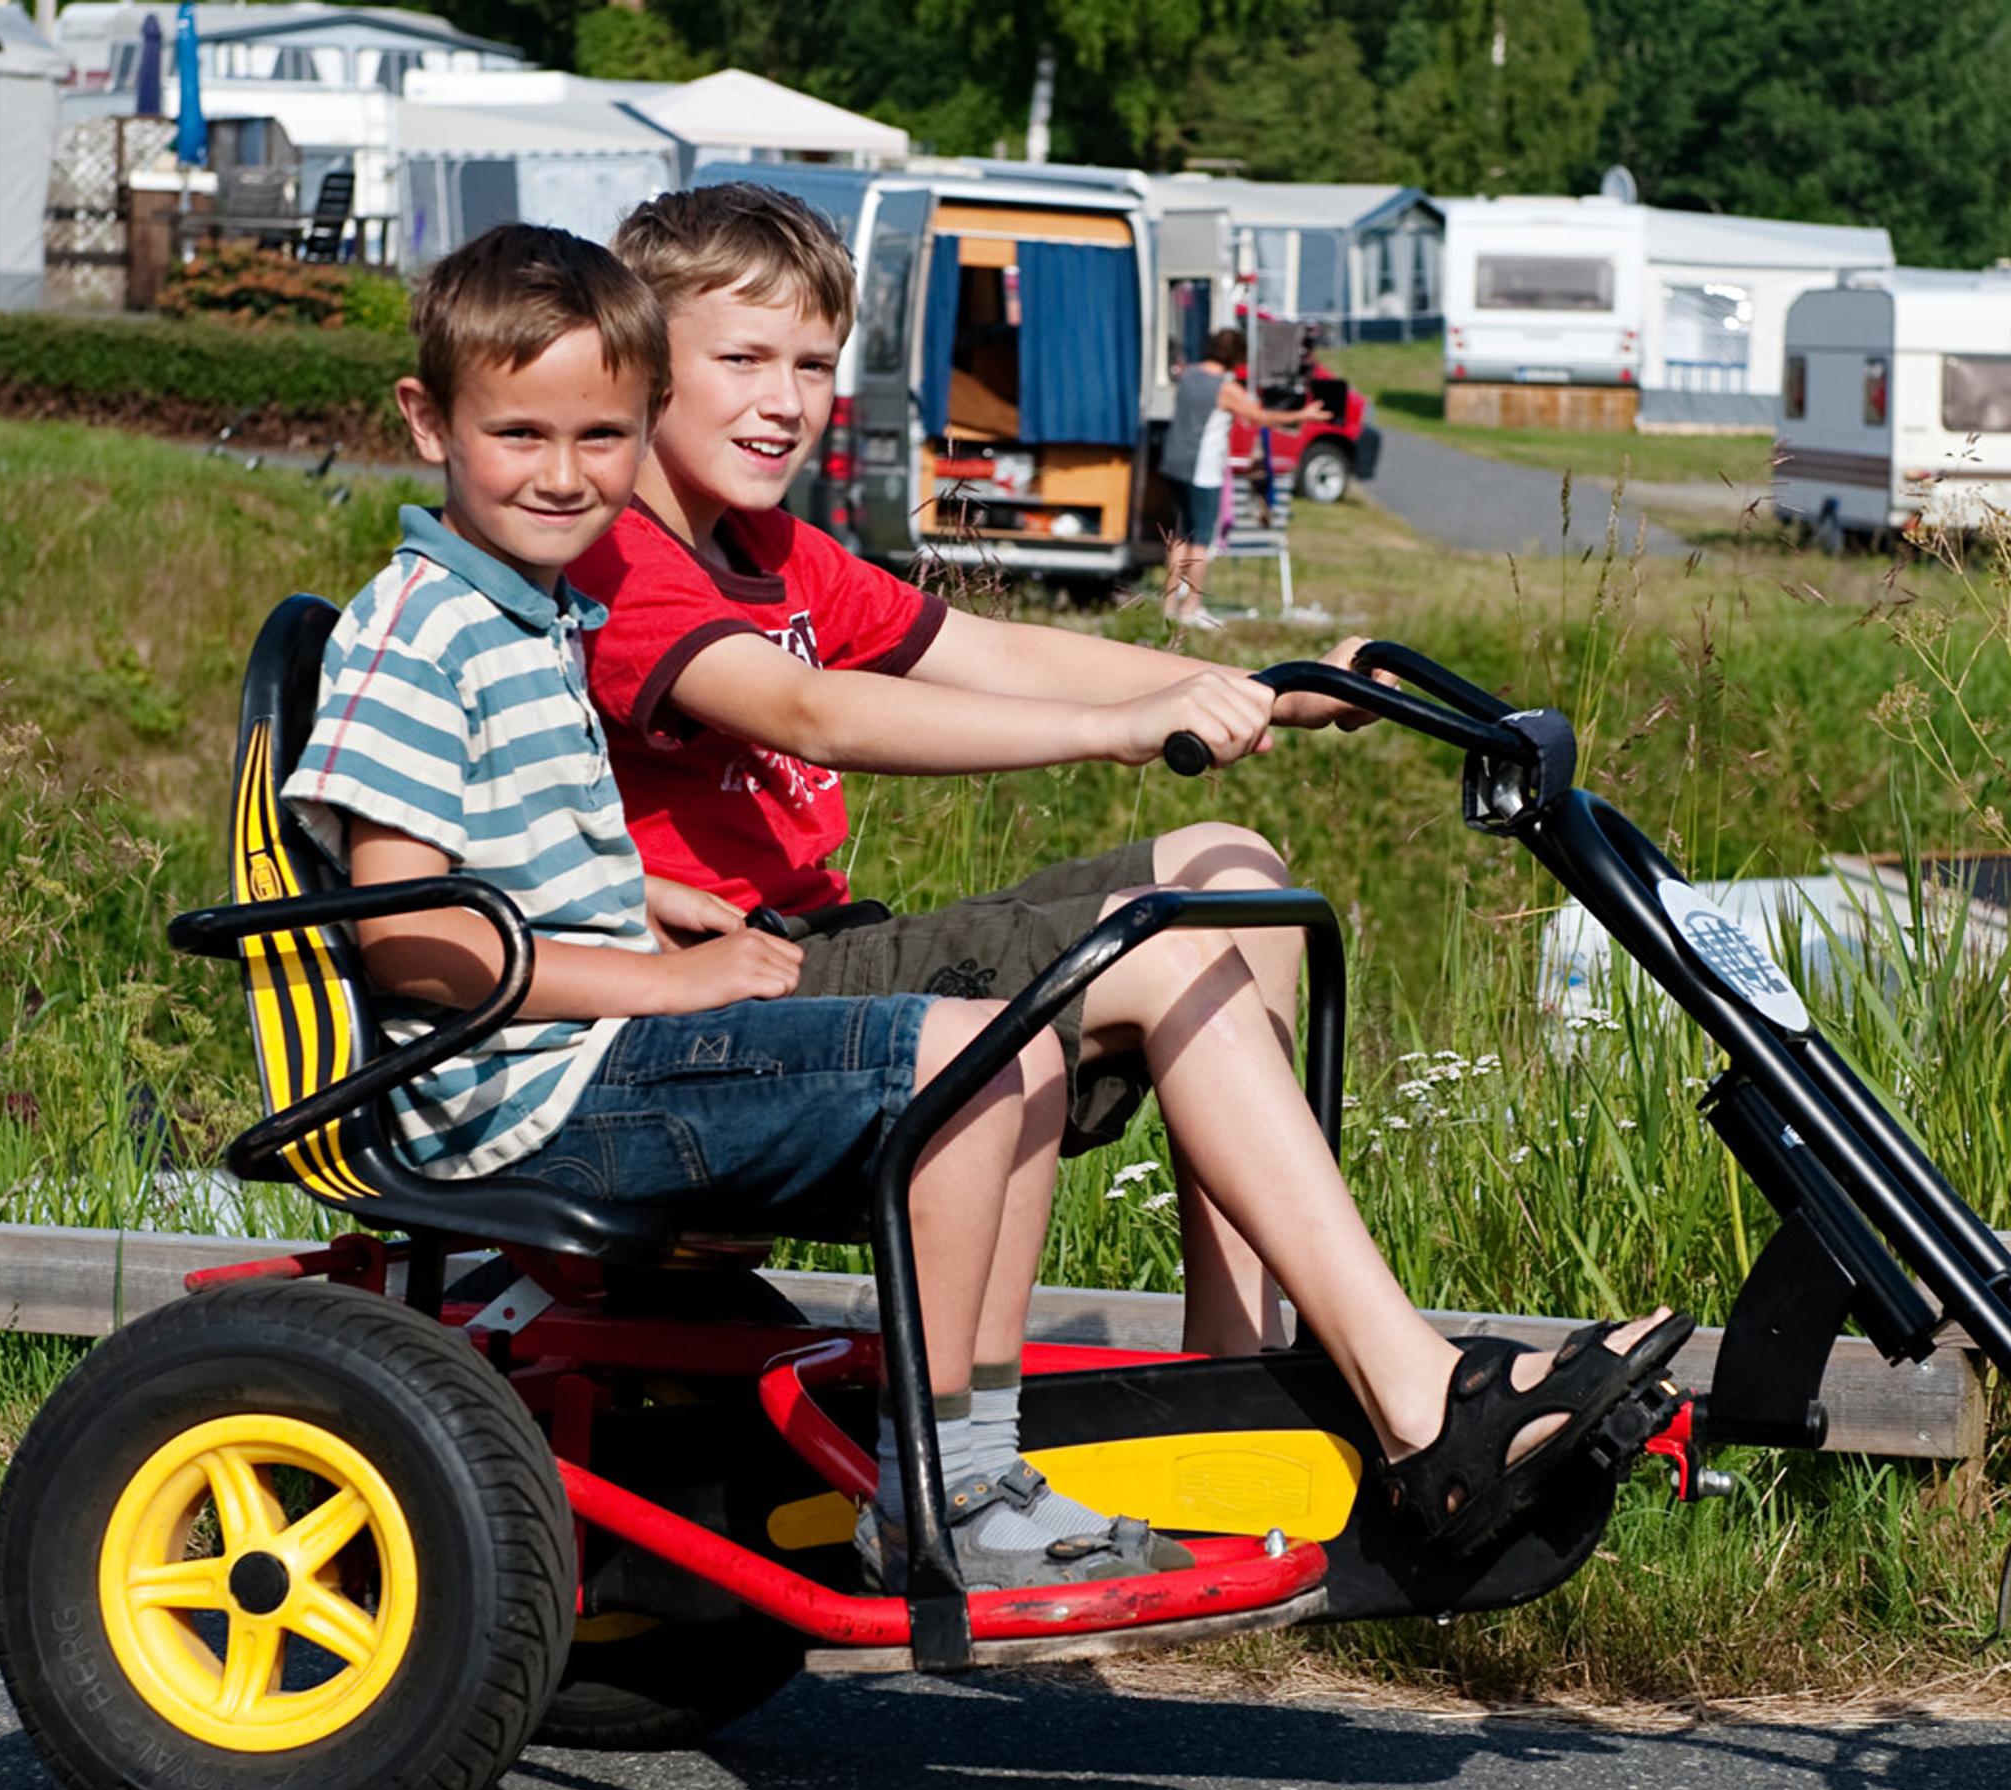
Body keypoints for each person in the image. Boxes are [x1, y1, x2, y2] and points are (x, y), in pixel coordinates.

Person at [578, 183, 1682, 1541]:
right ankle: (1420, 1403)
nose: (785, 400)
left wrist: (1260, 692)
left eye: (813, 364)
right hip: (734, 990)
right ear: (636, 366)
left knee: (1230, 863)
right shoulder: (621, 556)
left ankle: (1233, 1378)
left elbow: (999, 651)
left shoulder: (771, 548)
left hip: (815, 947)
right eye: (741, 359)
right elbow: (804, 711)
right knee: (1162, 941)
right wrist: (1113, 733)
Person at [284, 223, 1184, 1592]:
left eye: (600, 438)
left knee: (1004, 1039)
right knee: (960, 1050)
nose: (566, 475)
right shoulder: (422, 632)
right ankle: (947, 1484)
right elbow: (410, 931)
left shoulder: (526, 615)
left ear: (641, 428)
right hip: (519, 1094)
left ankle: (974, 1457)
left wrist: (638, 891)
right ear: (427, 420)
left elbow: (488, 851)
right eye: (521, 433)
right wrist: (660, 981)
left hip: (572, 1059)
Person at [1157, 325, 1328, 627]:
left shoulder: (1190, 374)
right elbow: (1261, 417)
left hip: (1174, 464)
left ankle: (1169, 605)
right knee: (1201, 540)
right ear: (1236, 357)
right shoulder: (1225, 388)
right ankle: (1191, 608)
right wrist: (1304, 415)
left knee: (1180, 535)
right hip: (1202, 470)